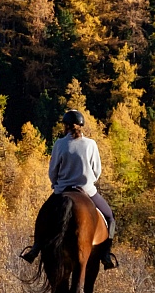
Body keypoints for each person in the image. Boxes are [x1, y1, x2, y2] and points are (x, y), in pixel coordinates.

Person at [27, 110, 118, 269]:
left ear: (65, 126)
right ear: (81, 126)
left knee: (42, 216)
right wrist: (88, 180)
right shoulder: (91, 144)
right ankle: (105, 254)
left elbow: (53, 170)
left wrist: (56, 184)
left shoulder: (59, 144)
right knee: (110, 217)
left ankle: (35, 248)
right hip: (87, 190)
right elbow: (97, 171)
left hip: (62, 190)